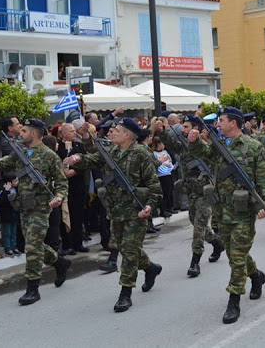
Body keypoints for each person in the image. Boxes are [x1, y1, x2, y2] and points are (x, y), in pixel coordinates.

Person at [0, 119, 70, 305]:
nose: (20, 134)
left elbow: (61, 183)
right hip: (23, 207)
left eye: (24, 131)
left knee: (32, 247)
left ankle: (32, 288)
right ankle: (59, 262)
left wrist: (58, 197)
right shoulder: (19, 152)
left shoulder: (49, 156)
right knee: (32, 244)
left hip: (41, 207)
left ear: (34, 134)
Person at [66, 118, 163, 313]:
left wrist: (150, 206)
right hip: (116, 210)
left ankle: (125, 293)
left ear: (128, 134)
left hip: (136, 211)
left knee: (128, 250)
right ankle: (151, 268)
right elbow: (93, 158)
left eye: (117, 130)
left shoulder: (141, 154)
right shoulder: (112, 152)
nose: (113, 133)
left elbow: (154, 186)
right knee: (127, 248)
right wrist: (77, 159)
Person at [187, 107, 265, 324]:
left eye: (222, 120)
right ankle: (256, 276)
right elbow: (200, 153)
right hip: (221, 210)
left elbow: (264, 177)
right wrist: (194, 140)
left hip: (243, 212)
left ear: (233, 123)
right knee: (236, 252)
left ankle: (234, 300)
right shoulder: (217, 146)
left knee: (236, 257)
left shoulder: (252, 146)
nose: (218, 124)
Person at [153, 115, 224, 277]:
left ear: (196, 129)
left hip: (205, 193)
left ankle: (195, 261)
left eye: (186, 126)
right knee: (195, 221)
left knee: (199, 227)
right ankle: (216, 242)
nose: (182, 129)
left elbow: (210, 156)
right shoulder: (184, 146)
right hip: (191, 191)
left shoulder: (207, 146)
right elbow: (171, 143)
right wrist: (162, 131)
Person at [57, 123, 88, 254]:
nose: (74, 133)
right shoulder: (58, 147)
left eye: (74, 131)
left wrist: (75, 170)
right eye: (71, 131)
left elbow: (85, 162)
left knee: (78, 214)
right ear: (63, 133)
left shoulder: (79, 146)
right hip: (64, 185)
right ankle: (67, 244)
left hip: (77, 184)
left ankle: (78, 242)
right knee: (66, 213)